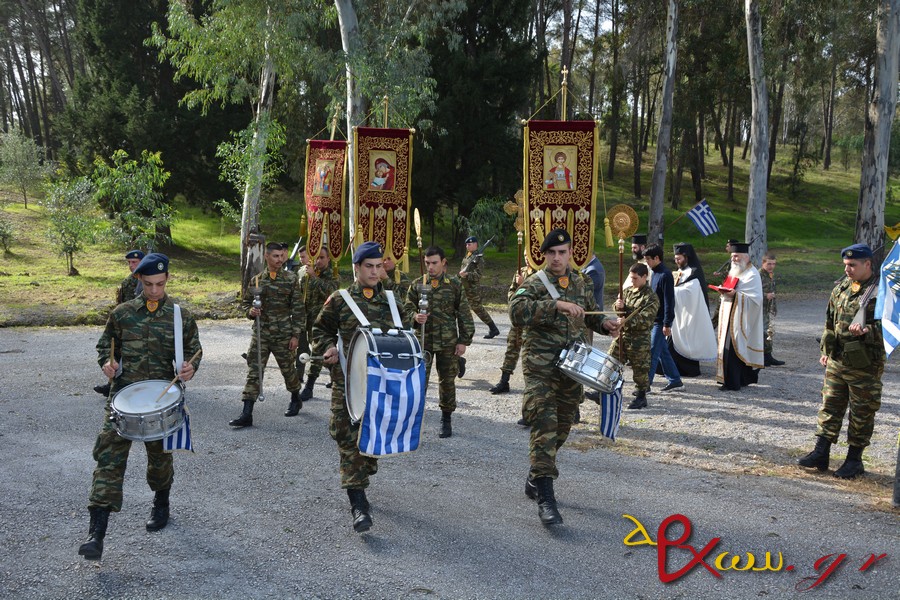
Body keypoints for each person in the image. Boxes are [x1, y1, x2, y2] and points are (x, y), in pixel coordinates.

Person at [79, 253, 202, 561]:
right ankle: (96, 534)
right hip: (123, 398)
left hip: (161, 402)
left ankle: (161, 501)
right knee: (108, 460)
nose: (155, 291)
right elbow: (105, 347)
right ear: (139, 280)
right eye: (148, 284)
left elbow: (194, 350)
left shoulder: (180, 315)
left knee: (159, 461)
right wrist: (108, 364)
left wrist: (190, 368)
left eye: (160, 284)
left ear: (167, 280)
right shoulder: (121, 314)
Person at [509, 229, 620, 526]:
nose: (557, 258)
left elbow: (589, 314)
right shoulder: (535, 282)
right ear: (544, 255)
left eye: (562, 252)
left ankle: (535, 476)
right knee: (544, 421)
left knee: (562, 425)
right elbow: (515, 311)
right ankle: (546, 496)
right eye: (552, 253)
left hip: (573, 365)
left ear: (571, 253)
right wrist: (554, 305)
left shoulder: (581, 281)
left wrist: (605, 323)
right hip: (540, 365)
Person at [312, 241, 412, 533]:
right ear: (356, 268)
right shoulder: (340, 299)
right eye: (368, 266)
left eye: (378, 266)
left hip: (384, 386)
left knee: (371, 445)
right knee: (347, 439)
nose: (374, 271)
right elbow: (320, 330)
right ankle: (359, 504)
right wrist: (328, 348)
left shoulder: (394, 302)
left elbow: (409, 340)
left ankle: (365, 467)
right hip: (348, 383)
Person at [798, 244, 885, 479]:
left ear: (868, 264)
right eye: (845, 265)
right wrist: (826, 349)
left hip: (864, 364)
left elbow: (890, 329)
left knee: (861, 412)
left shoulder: (881, 292)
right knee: (830, 405)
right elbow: (830, 320)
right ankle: (821, 453)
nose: (847, 269)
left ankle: (854, 460)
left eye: (853, 265)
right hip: (837, 360)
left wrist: (867, 331)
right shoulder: (842, 288)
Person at [229, 242, 305, 426]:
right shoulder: (256, 281)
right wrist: (251, 312)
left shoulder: (291, 279)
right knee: (254, 372)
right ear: (267, 257)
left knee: (288, 370)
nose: (280, 259)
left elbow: (298, 309)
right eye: (275, 256)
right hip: (261, 334)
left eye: (281, 256)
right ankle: (247, 412)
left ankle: (296, 398)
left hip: (283, 334)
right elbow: (246, 303)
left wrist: (296, 335)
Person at [405, 246, 475, 438]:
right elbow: (405, 309)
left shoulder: (454, 284)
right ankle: (414, 421)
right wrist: (414, 316)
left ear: (443, 262)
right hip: (423, 342)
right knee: (419, 382)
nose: (430, 267)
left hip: (447, 342)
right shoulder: (418, 284)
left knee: (447, 382)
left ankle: (446, 419)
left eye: (434, 263)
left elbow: (464, 313)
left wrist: (463, 341)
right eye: (427, 263)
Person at [94, 249, 146, 396]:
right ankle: (111, 384)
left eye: (134, 262)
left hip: (144, 324)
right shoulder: (128, 282)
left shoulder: (150, 279)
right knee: (115, 350)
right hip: (128, 323)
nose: (131, 265)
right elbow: (122, 304)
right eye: (129, 262)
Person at [714, 242, 764, 391]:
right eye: (732, 256)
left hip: (742, 318)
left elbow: (756, 299)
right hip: (730, 314)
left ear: (745, 257)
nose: (733, 259)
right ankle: (733, 379)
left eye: (736, 256)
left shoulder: (752, 274)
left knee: (734, 348)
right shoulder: (735, 271)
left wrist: (735, 295)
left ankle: (733, 382)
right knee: (727, 347)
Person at [611, 263, 659, 410]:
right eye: (631, 278)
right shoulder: (628, 291)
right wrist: (618, 306)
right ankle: (606, 390)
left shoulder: (651, 297)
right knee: (611, 361)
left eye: (635, 278)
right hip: (624, 336)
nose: (632, 281)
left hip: (639, 338)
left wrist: (625, 321)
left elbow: (646, 319)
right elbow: (618, 310)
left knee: (640, 369)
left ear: (645, 277)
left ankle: (641, 396)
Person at [297, 246, 341, 402]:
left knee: (316, 352)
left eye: (322, 257)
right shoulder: (306, 273)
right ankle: (338, 375)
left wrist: (315, 277)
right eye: (317, 257)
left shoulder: (333, 275)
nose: (319, 261)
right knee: (322, 354)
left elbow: (332, 293)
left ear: (328, 259)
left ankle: (309, 386)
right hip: (309, 321)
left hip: (324, 323)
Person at [669, 243, 717, 377]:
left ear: (686, 257)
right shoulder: (680, 271)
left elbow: (691, 291)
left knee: (688, 338)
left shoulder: (694, 271)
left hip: (693, 312)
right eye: (675, 258)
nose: (676, 261)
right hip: (680, 312)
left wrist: (672, 291)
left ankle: (688, 369)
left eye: (679, 258)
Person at [642, 244, 684, 395]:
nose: (646, 262)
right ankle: (675, 380)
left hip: (660, 321)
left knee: (653, 352)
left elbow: (669, 301)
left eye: (648, 259)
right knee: (662, 352)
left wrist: (667, 323)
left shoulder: (665, 274)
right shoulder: (654, 273)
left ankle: (645, 385)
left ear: (657, 258)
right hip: (654, 319)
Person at [488, 264, 533, 398]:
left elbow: (538, 296)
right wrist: (516, 295)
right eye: (525, 255)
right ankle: (504, 381)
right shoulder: (521, 271)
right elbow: (512, 293)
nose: (526, 258)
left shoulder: (541, 274)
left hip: (531, 319)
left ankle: (532, 388)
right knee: (512, 347)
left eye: (528, 255)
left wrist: (524, 284)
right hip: (518, 317)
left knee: (530, 355)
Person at [460, 235, 500, 339]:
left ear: (475, 245)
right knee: (460, 308)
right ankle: (465, 331)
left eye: (469, 244)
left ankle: (493, 328)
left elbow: (478, 275)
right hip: (464, 286)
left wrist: (467, 274)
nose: (467, 246)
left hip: (472, 289)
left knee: (478, 309)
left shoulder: (479, 259)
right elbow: (463, 269)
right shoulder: (468, 256)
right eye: (466, 244)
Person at [760, 253, 785, 366]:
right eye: (769, 263)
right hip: (758, 308)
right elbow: (751, 292)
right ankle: (763, 357)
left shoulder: (770, 275)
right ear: (763, 263)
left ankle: (768, 357)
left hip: (767, 308)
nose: (771, 266)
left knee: (769, 332)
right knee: (763, 333)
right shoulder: (758, 275)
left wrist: (773, 307)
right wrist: (765, 295)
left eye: (774, 264)